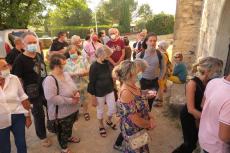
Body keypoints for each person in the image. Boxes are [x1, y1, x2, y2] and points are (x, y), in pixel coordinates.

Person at [172, 57, 223, 153]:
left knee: (194, 141)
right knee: (189, 144)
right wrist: (208, 119)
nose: (219, 74)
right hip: (189, 116)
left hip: (200, 117)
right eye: (217, 71)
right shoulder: (192, 83)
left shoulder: (209, 83)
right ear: (208, 70)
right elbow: (190, 109)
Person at [12, 32, 51, 147]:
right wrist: (23, 97)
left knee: (51, 109)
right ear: (23, 45)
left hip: (45, 89)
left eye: (34, 42)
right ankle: (42, 136)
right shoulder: (20, 59)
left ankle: (51, 127)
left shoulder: (39, 55)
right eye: (30, 43)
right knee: (39, 115)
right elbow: (17, 79)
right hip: (32, 94)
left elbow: (43, 71)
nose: (33, 44)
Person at [113, 60, 156, 153]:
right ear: (129, 75)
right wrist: (150, 124)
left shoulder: (132, 85)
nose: (139, 74)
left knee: (141, 148)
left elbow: (139, 98)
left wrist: (145, 93)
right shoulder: (126, 92)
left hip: (139, 127)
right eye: (137, 72)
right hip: (133, 129)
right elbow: (135, 119)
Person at [0, 59, 32, 153]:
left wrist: (28, 116)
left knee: (21, 144)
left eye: (7, 65)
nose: (9, 68)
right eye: (4, 66)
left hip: (17, 116)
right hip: (1, 120)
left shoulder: (13, 78)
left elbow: (23, 97)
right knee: (4, 148)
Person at [87, 46, 117, 137]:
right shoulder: (94, 66)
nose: (109, 58)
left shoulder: (107, 63)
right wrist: (93, 97)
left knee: (113, 108)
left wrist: (114, 80)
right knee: (100, 110)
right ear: (101, 55)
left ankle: (108, 120)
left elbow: (112, 74)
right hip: (99, 92)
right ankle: (101, 125)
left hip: (109, 89)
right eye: (107, 56)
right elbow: (91, 82)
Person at [199, 74, 230, 153]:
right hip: (217, 148)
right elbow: (224, 136)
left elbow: (203, 105)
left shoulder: (214, 82)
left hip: (204, 138)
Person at [136, 33, 166, 111]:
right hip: (143, 82)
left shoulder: (160, 55)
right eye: (151, 40)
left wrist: (160, 78)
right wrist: (139, 79)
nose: (153, 43)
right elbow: (136, 69)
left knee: (150, 101)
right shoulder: (140, 55)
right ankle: (141, 117)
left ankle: (148, 116)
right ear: (146, 42)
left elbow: (163, 68)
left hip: (154, 83)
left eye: (154, 41)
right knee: (142, 101)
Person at [64, 45, 91, 121]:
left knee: (85, 99)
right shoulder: (66, 62)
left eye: (74, 52)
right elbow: (63, 74)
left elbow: (89, 69)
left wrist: (84, 73)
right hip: (72, 86)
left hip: (83, 84)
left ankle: (85, 112)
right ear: (68, 52)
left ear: (77, 51)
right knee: (74, 100)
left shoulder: (83, 59)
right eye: (71, 52)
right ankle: (76, 112)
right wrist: (71, 75)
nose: (73, 54)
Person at [155, 40, 172, 106]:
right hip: (163, 72)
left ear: (162, 47)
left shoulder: (163, 55)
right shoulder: (165, 53)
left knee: (160, 87)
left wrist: (161, 76)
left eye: (158, 46)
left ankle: (160, 101)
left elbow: (163, 66)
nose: (157, 47)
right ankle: (158, 98)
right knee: (160, 86)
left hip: (162, 73)